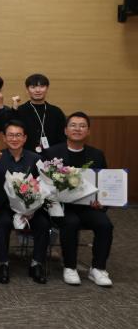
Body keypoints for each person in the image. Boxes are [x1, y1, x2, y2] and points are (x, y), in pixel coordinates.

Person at [44, 112, 113, 287]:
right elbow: (44, 184)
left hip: (88, 206)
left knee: (105, 224)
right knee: (71, 222)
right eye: (73, 125)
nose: (77, 129)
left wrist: (101, 203)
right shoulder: (52, 153)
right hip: (61, 207)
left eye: (82, 126)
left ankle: (98, 268)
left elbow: (103, 183)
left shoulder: (97, 155)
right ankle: (70, 267)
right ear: (65, 130)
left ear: (88, 131)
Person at [0, 120, 50, 284]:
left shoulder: (36, 159)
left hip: (32, 208)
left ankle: (36, 264)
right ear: (4, 138)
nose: (14, 139)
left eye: (18, 135)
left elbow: (45, 184)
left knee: (43, 224)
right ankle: (3, 264)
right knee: (2, 223)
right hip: (5, 206)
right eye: (10, 135)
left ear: (24, 138)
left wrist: (32, 209)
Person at [12, 73, 66, 154]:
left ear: (47, 88)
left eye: (42, 86)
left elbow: (63, 137)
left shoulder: (56, 112)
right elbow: (11, 133)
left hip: (53, 156)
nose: (38, 90)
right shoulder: (19, 111)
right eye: (33, 87)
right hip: (25, 155)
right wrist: (14, 110)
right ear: (27, 90)